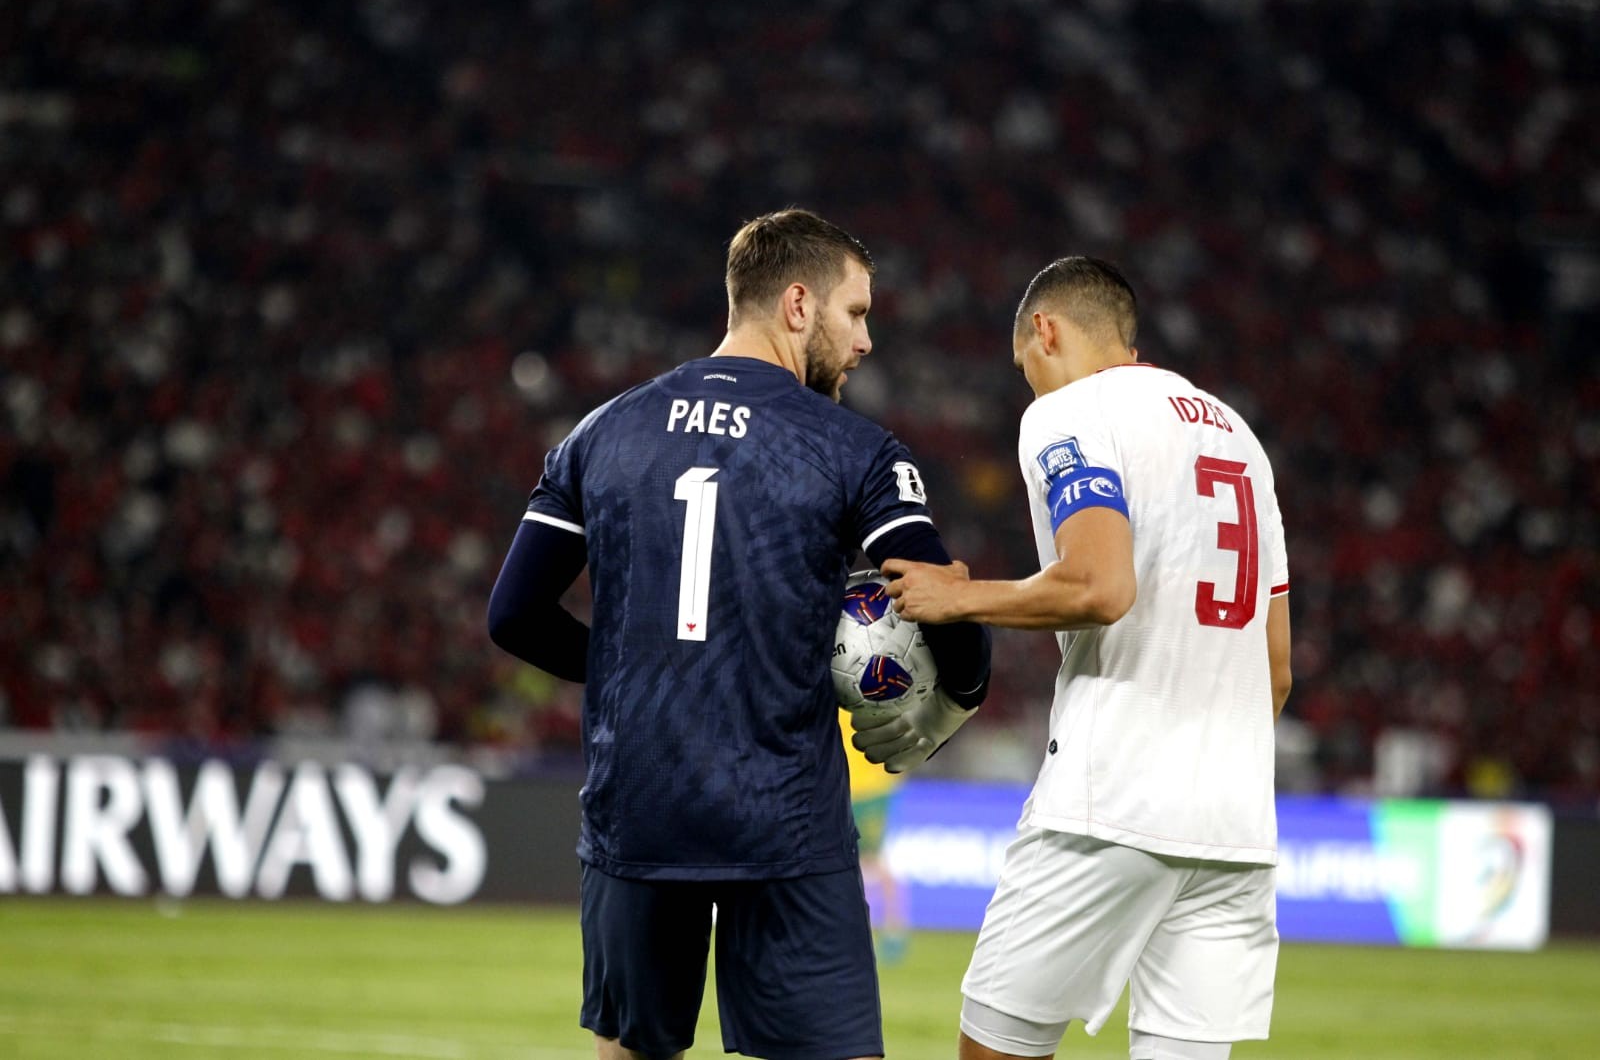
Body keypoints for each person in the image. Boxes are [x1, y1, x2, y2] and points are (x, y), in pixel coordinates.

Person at [487, 209, 991, 1060]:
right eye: (857, 312)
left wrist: (622, 669)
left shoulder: (601, 430)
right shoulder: (852, 449)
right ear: (798, 305)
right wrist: (963, 695)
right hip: (783, 817)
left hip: (637, 808)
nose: (867, 341)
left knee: (634, 1051)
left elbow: (513, 615)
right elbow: (942, 598)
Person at [857, 257, 1291, 1060]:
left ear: (1045, 331)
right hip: (1236, 828)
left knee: (997, 1046)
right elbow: (1277, 666)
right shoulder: (1241, 438)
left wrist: (961, 597)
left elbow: (1099, 585)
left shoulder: (1072, 412)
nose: (1028, 385)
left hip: (1112, 800)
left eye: (1023, 363)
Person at [837, 707, 911, 965]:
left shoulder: (861, 691)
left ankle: (893, 930)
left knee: (869, 860)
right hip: (846, 787)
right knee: (856, 860)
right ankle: (868, 931)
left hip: (869, 790)